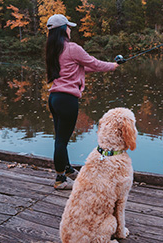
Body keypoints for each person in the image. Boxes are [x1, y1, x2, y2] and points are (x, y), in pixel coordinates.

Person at [46, 14, 119, 190]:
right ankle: (60, 180)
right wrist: (114, 66)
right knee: (62, 141)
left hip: (55, 98)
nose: (70, 30)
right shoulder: (72, 48)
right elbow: (94, 63)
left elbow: (80, 69)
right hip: (67, 100)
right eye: (68, 27)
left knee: (60, 139)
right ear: (63, 29)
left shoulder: (53, 50)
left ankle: (68, 170)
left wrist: (109, 66)